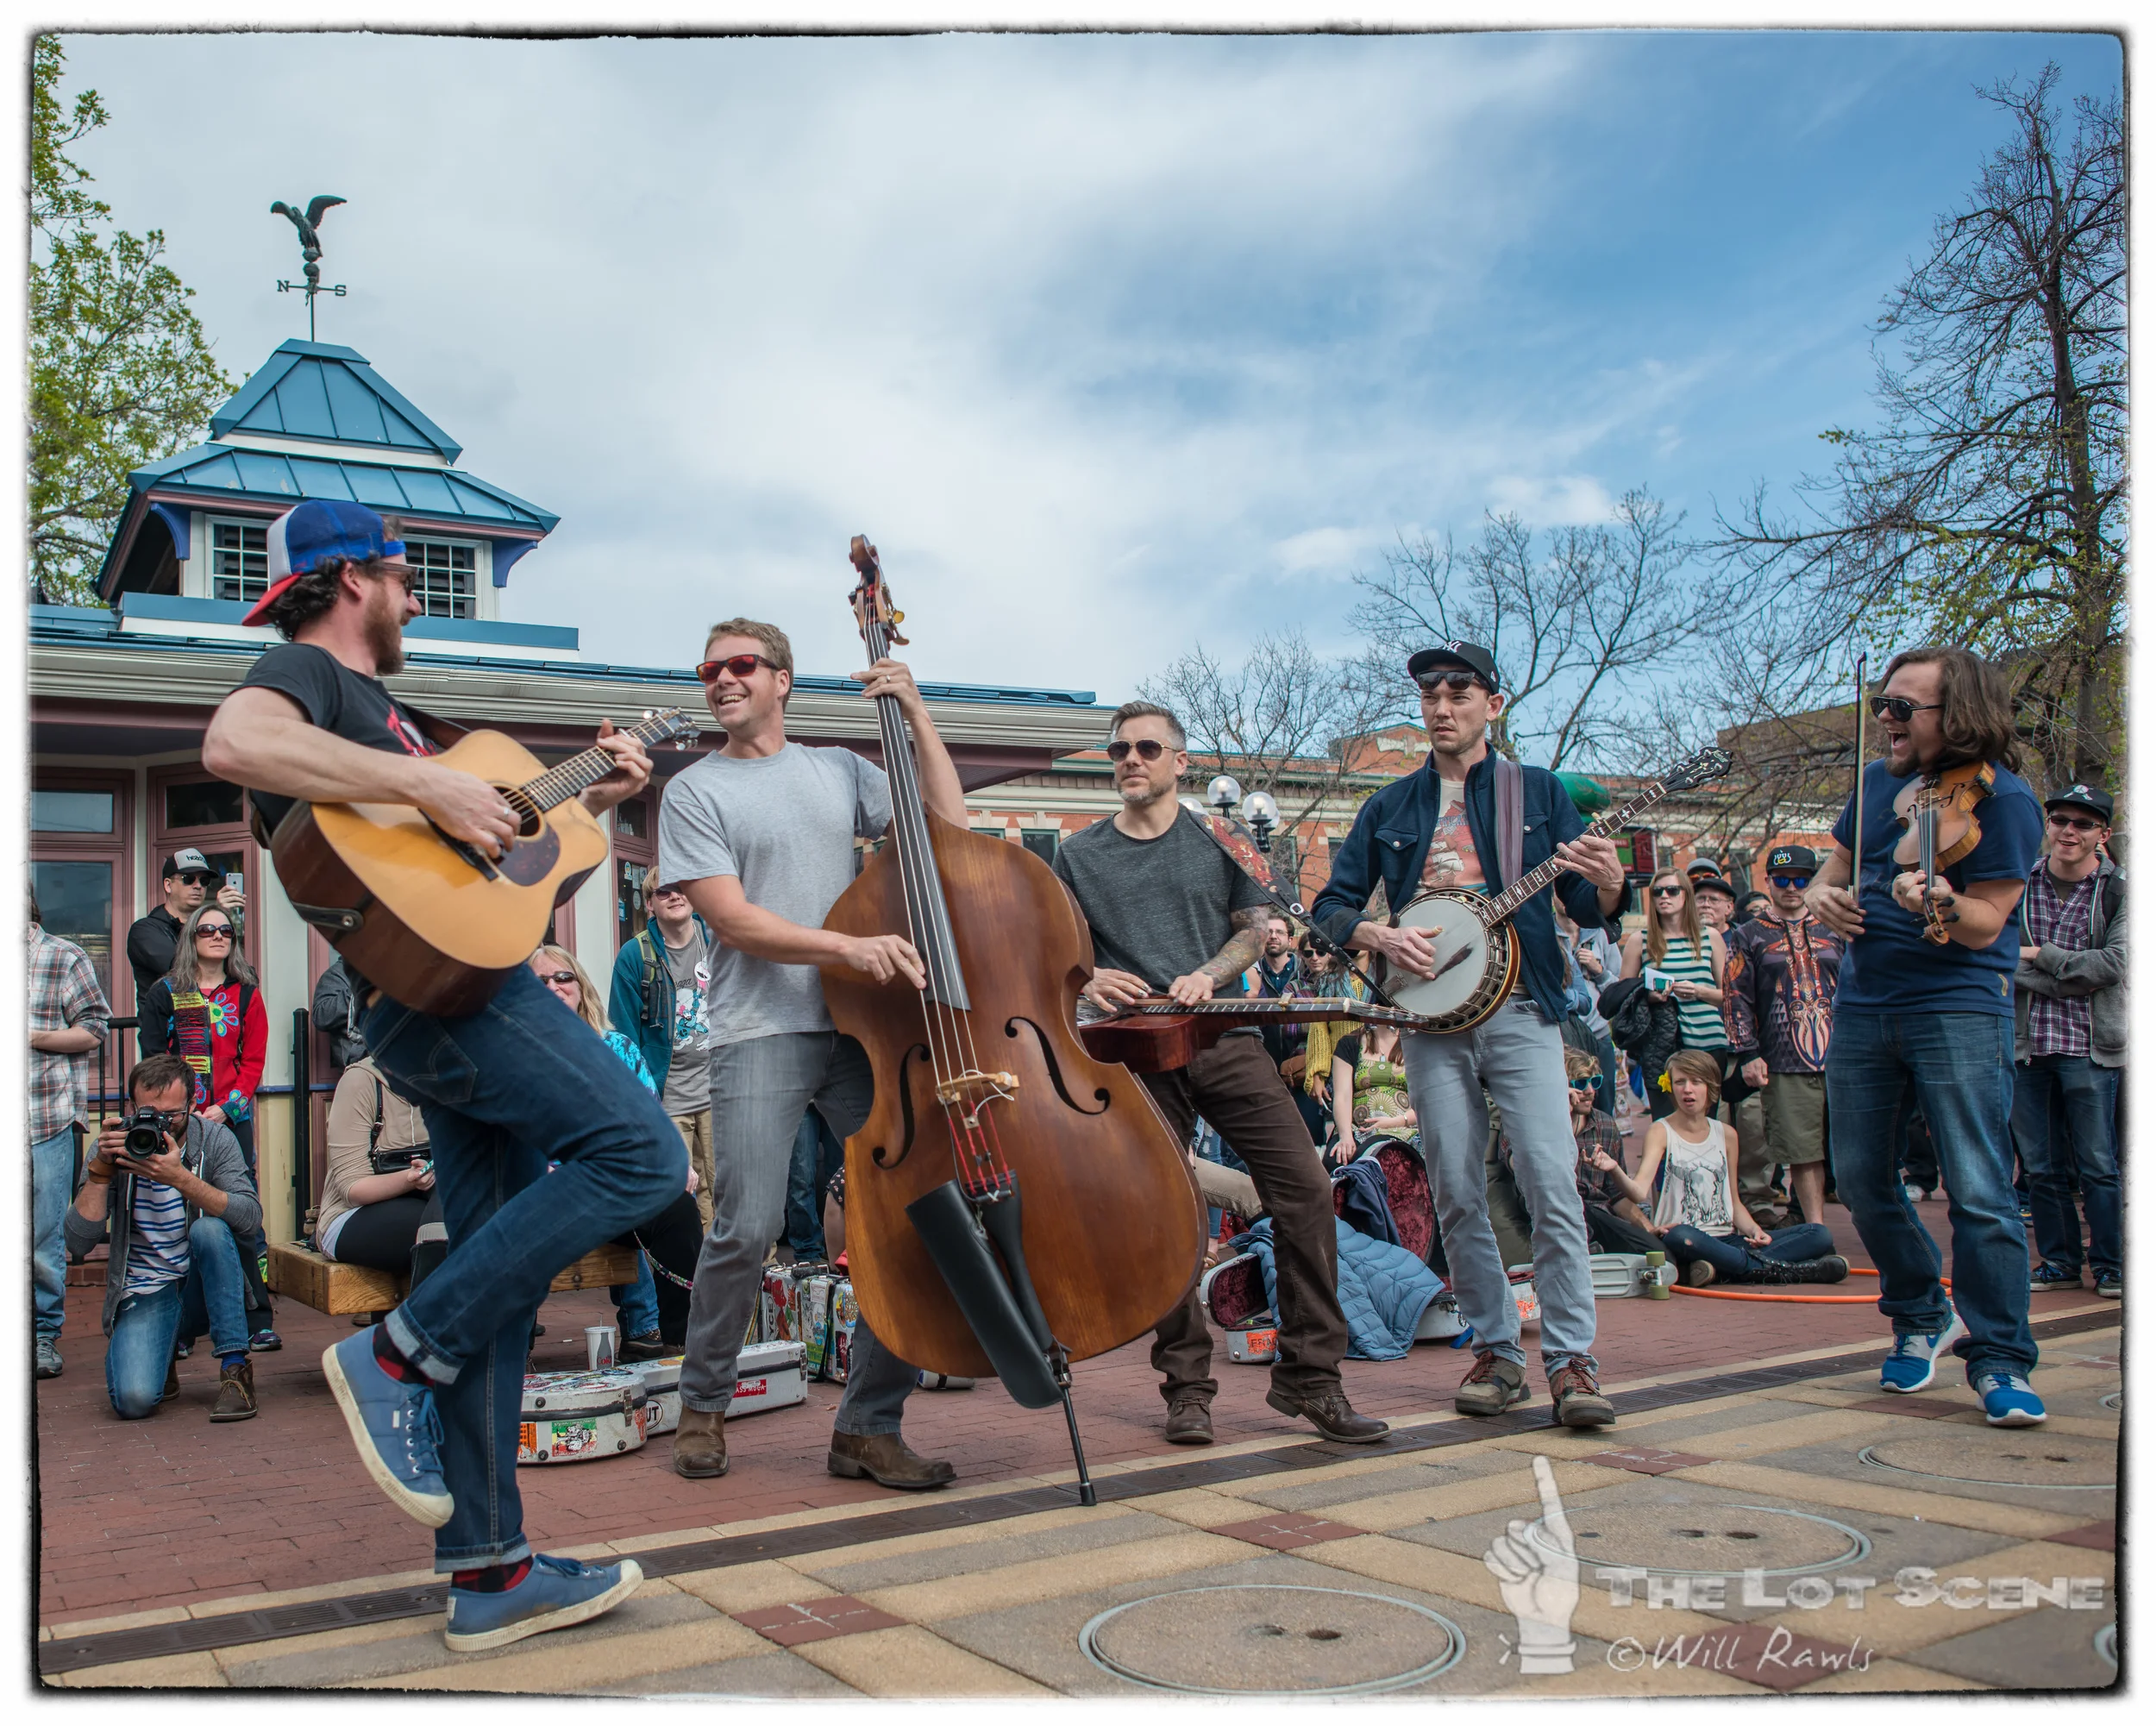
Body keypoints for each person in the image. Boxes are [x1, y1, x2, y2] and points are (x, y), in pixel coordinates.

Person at [201, 498, 670, 1649]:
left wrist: (584, 810)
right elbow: (231, 743)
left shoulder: (402, 724)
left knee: (499, 1289)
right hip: (447, 1008)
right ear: (358, 578)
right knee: (643, 1153)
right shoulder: (310, 678)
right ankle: (398, 1352)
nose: (415, 604)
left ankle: (490, 1573)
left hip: (456, 989)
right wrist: (426, 787)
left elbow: (487, 891)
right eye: (412, 581)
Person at [658, 617, 960, 1489]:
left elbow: (945, 821)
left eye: (740, 665)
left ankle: (867, 1426)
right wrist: (845, 949)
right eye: (709, 668)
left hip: (865, 1028)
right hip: (762, 1029)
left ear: (781, 679)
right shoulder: (695, 792)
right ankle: (703, 1404)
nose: (721, 679)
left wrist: (916, 715)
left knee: (917, 1216)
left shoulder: (836, 768)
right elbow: (732, 918)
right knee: (747, 1226)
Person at [1313, 639, 1629, 1429]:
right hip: (1429, 1017)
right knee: (1455, 1191)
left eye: (1459, 692)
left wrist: (1613, 880)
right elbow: (1330, 908)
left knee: (1551, 1181)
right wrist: (1380, 938)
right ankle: (1496, 1349)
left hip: (1522, 1007)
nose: (1442, 707)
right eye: (1430, 695)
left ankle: (1571, 1358)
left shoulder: (1540, 792)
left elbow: (1591, 909)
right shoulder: (1390, 808)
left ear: (1495, 703)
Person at [1055, 700, 1384, 1447]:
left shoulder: (1220, 836)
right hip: (1132, 1048)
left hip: (1224, 1034)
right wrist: (1094, 976)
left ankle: (1311, 1378)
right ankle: (1187, 1389)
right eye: (1118, 751)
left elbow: (1254, 932)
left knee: (1303, 1187)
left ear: (1180, 761)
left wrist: (1209, 974)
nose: (1130, 760)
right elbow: (1060, 950)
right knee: (1164, 1212)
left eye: (1146, 747)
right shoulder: (1079, 854)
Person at [1804, 645, 2046, 1427]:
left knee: (1979, 1188)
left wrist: (1941, 898)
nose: (1887, 718)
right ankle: (1919, 1311)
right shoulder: (1875, 786)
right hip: (1866, 1002)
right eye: (1884, 702)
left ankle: (2002, 1357)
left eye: (1905, 707)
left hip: (1961, 1004)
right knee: (1864, 1178)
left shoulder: (2006, 801)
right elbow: (1826, 876)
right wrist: (1824, 902)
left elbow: (1987, 924)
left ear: (1959, 714)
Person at [64, 1054, 264, 1422]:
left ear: (193, 1104)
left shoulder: (215, 1139)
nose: (162, 1126)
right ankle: (163, 1351)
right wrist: (99, 1174)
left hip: (203, 1285)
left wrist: (181, 1179)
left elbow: (249, 1217)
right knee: (134, 1401)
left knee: (209, 1229)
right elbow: (78, 1243)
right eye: (149, 1114)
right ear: (131, 1107)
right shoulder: (113, 1145)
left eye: (171, 1116)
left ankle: (235, 1370)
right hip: (146, 1290)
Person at [530, 944, 704, 1355]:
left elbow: (652, 1122)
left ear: (580, 986)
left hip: (616, 1186)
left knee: (676, 1209)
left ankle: (683, 1345)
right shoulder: (515, 1054)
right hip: (550, 1191)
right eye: (540, 981)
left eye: (562, 977)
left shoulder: (619, 1049)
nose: (554, 986)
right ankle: (508, 1359)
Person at [137, 900, 277, 1349]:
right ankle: (180, 1322)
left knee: (239, 1212)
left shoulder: (246, 993)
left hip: (229, 1119)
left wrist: (227, 1108)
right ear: (191, 937)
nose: (218, 936)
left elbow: (253, 1060)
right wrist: (182, 1111)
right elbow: (155, 1059)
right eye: (207, 930)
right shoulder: (166, 992)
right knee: (177, 1212)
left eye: (226, 931)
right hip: (178, 1121)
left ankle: (257, 1318)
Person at [1597, 1051, 1847, 1286]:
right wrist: (1615, 1169)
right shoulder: (1661, 1131)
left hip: (1729, 1240)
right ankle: (1787, 1271)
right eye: (1680, 1082)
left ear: (1710, 1088)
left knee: (1819, 1234)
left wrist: (1754, 1230)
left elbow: (1733, 1201)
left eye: (1696, 1082)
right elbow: (1639, 1191)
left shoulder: (1726, 1134)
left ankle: (1727, 1270)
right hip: (1688, 1238)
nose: (1687, 1090)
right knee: (1681, 1236)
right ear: (1670, 1087)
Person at [2012, 782, 2125, 1301]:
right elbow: (1998, 957)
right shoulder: (2018, 882)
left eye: (2082, 824)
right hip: (2028, 1046)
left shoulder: (2122, 890)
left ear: (2102, 834)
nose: (2069, 832)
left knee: (2099, 1165)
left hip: (2092, 1049)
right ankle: (2058, 1262)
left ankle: (2112, 1266)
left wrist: (2039, 957)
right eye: (2060, 820)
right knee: (2041, 1166)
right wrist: (2067, 970)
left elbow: (2117, 964)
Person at [1723, 845, 1845, 1229]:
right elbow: (1735, 996)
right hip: (1784, 1056)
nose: (1792, 887)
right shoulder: (1747, 934)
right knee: (1802, 1152)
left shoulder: (1835, 926)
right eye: (1782, 879)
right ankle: (1817, 1231)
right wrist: (1747, 1052)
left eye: (1801, 879)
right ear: (1768, 882)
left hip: (1845, 1055)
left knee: (1854, 1149)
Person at [608, 869, 718, 1230]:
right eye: (663, 891)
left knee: (733, 1190)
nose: (674, 896)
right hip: (666, 1099)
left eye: (681, 888)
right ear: (650, 904)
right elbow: (624, 1037)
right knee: (681, 1201)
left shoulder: (716, 936)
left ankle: (753, 1283)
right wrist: (640, 1108)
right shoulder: (634, 955)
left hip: (721, 1088)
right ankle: (696, 1283)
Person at [31, 888, 111, 1381]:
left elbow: (96, 1029)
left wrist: (31, 1036)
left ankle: (42, 1336)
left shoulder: (63, 955)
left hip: (44, 1119)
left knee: (42, 1241)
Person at [1620, 871, 1729, 1119]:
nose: (1664, 897)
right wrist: (1649, 997)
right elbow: (1623, 998)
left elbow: (1731, 996)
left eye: (1672, 890)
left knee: (1704, 1121)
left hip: (1708, 1041)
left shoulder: (1710, 937)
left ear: (1686, 896)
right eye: (1657, 892)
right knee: (1667, 1121)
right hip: (1661, 1045)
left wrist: (1699, 991)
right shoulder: (1640, 940)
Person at [317, 1055, 434, 1274]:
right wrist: (410, 1179)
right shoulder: (361, 1081)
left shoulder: (445, 1082)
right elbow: (352, 1189)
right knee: (437, 1230)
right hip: (351, 1213)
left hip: (424, 1204)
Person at [1562, 1049, 1658, 1257]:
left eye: (1594, 1082)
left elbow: (1616, 1196)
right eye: (1579, 1084)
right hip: (1558, 1211)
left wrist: (1648, 1230)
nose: (1589, 1091)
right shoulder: (1539, 1124)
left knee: (1658, 1253)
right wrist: (1561, 1120)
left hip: (1598, 1214)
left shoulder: (1605, 1124)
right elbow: (1517, 1167)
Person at [125, 847, 244, 1005]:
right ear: (168, 885)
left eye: (204, 881)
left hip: (212, 1023)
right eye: (188, 879)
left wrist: (219, 921)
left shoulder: (210, 928)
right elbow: (185, 970)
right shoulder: (144, 931)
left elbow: (242, 973)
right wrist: (216, 916)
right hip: (165, 1027)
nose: (198, 886)